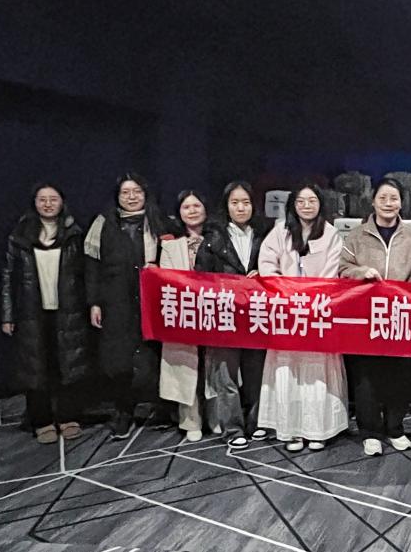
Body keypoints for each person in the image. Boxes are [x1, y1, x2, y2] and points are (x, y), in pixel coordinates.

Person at [257, 184, 349, 452]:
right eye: (301, 201)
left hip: (318, 312)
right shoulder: (280, 231)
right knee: (288, 369)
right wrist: (285, 292)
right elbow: (267, 264)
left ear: (320, 204)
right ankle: (291, 430)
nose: (306, 206)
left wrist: (310, 297)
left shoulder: (331, 234)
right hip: (286, 312)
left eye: (312, 201)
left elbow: (332, 272)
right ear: (293, 205)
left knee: (316, 371)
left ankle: (317, 429)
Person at [340, 178, 411, 456]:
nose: (388, 204)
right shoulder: (356, 235)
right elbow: (342, 269)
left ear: (402, 202)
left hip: (400, 316)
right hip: (365, 316)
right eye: (383, 198)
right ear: (373, 202)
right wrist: (361, 272)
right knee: (366, 376)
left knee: (398, 375)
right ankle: (370, 432)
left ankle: (395, 428)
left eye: (394, 198)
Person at [1, 183, 90, 444]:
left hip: (68, 311)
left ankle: (69, 417)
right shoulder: (19, 235)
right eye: (42, 199)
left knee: (68, 366)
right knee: (36, 368)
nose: (48, 204)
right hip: (31, 313)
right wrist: (7, 315)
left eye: (53, 199)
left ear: (62, 202)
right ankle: (41, 420)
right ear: (34, 203)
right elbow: (7, 277)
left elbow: (86, 274)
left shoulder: (74, 233)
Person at [85, 172, 171, 440]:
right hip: (116, 299)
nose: (131, 197)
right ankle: (123, 411)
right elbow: (91, 267)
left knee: (155, 353)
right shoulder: (103, 223)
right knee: (118, 358)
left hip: (153, 299)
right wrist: (94, 302)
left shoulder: (159, 221)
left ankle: (162, 408)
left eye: (137, 192)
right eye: (125, 192)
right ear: (117, 196)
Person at [194, 181, 272, 449]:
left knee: (255, 372)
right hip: (224, 315)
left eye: (246, 202)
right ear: (226, 206)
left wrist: (263, 275)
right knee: (225, 375)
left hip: (255, 314)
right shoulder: (212, 239)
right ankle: (232, 428)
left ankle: (256, 422)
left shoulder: (264, 235)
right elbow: (200, 279)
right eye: (235, 203)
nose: (241, 208)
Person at [158, 190, 209, 442]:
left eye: (196, 205)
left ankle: (217, 418)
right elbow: (166, 280)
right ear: (179, 213)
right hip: (184, 312)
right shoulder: (169, 245)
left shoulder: (217, 240)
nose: (192, 211)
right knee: (185, 368)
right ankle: (191, 420)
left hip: (214, 311)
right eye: (186, 207)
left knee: (213, 366)